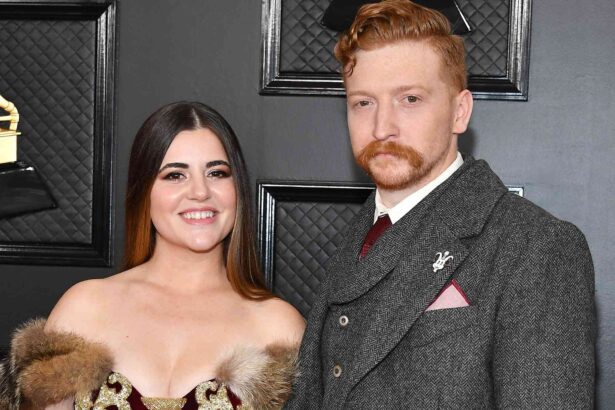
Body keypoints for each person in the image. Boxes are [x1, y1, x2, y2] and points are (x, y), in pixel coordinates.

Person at [285, 1, 595, 408]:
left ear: (459, 112)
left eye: (410, 99)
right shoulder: (358, 236)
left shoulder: (537, 247)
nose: (382, 127)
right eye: (363, 102)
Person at [0, 102, 305, 410]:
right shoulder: (85, 307)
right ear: (143, 191)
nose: (200, 191)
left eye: (217, 173)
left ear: (237, 188)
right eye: (175, 175)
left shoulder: (279, 327)